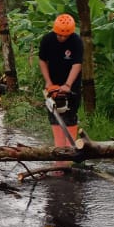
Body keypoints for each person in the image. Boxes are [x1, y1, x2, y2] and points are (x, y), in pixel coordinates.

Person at [38, 12, 84, 174]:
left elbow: (77, 64)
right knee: (55, 119)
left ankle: (70, 156)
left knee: (70, 119)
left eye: (66, 36)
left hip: (71, 85)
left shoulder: (76, 41)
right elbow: (42, 60)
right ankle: (59, 159)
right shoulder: (47, 40)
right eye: (60, 35)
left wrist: (67, 85)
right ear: (55, 31)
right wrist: (49, 82)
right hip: (53, 83)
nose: (62, 38)